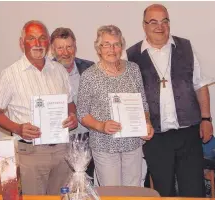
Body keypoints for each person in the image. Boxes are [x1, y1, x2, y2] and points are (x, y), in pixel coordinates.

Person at [127, 4, 214, 197]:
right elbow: (130, 97)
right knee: (163, 192)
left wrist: (207, 119)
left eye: (164, 21)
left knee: (194, 190)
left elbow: (201, 85)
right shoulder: (132, 56)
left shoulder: (186, 47)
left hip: (189, 133)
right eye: (153, 22)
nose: (160, 26)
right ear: (144, 25)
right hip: (155, 137)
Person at [0, 20, 78, 195]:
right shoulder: (11, 74)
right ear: (22, 43)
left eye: (42, 38)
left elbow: (69, 102)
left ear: (48, 43)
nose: (37, 44)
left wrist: (73, 115)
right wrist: (18, 128)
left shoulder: (59, 70)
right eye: (31, 38)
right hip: (31, 153)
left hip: (62, 152)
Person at [77, 25, 154, 186]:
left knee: (134, 192)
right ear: (98, 48)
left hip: (133, 142)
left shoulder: (133, 69)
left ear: (122, 46)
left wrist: (146, 123)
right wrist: (101, 125)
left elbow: (143, 104)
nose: (112, 49)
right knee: (112, 193)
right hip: (105, 145)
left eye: (116, 44)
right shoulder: (89, 75)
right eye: (106, 44)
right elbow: (82, 113)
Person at [50, 27, 95, 180]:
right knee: (63, 183)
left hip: (88, 136)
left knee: (87, 182)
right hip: (60, 139)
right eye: (60, 48)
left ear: (75, 46)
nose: (65, 52)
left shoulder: (90, 67)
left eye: (69, 46)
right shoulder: (46, 72)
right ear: (52, 50)